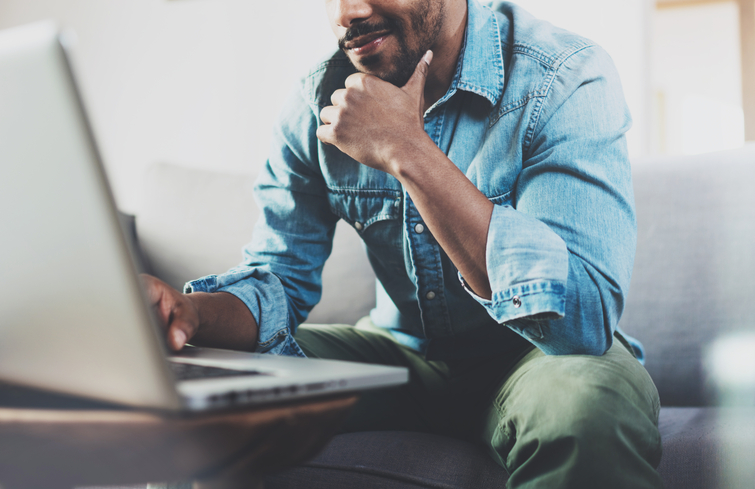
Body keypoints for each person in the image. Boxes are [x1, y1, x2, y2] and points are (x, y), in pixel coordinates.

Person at [142, 0, 663, 486]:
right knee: (197, 383)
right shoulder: (315, 102)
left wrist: (407, 149)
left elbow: (583, 319)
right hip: (398, 355)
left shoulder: (563, 76)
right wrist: (190, 313)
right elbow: (279, 278)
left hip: (536, 355)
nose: (350, 12)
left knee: (588, 406)